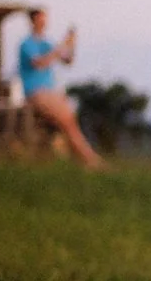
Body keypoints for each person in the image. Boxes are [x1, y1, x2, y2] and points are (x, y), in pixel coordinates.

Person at [18, 9, 103, 168]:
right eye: (40, 20)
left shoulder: (47, 43)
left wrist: (71, 43)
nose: (43, 23)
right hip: (36, 93)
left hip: (51, 93)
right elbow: (40, 63)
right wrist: (60, 48)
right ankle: (90, 160)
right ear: (33, 21)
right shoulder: (27, 44)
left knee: (70, 120)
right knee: (67, 122)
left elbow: (68, 60)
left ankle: (84, 159)